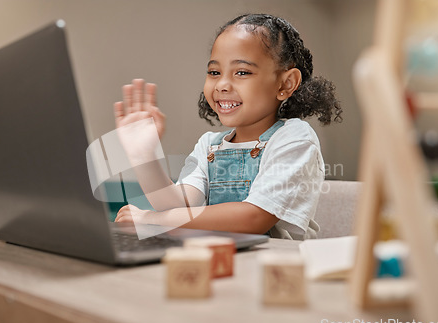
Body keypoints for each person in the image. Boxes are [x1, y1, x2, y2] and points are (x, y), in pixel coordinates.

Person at [114, 14, 342, 239]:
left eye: (242, 72)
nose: (222, 84)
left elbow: (253, 218)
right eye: (214, 72)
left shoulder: (294, 138)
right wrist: (143, 155)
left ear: (286, 83)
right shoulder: (209, 145)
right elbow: (177, 205)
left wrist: (152, 221)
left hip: (275, 269)